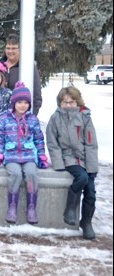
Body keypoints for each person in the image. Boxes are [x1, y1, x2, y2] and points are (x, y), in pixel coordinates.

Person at [0, 81, 47, 225]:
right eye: (19, 102)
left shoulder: (32, 119)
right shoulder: (3, 118)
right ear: (14, 103)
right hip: (11, 155)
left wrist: (41, 156)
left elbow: (39, 139)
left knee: (31, 174)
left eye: (26, 103)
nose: (23, 105)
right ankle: (12, 206)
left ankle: (31, 206)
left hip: (28, 155)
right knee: (15, 174)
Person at [46, 86, 98, 240]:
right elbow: (52, 142)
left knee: (91, 191)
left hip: (85, 158)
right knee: (81, 178)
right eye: (65, 102)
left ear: (77, 102)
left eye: (71, 102)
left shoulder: (85, 117)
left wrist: (92, 167)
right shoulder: (55, 118)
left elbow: (91, 143)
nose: (68, 105)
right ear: (60, 103)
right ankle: (70, 208)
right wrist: (58, 163)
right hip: (68, 158)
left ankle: (86, 221)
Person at [0, 33, 42, 116]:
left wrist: (31, 116)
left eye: (14, 48)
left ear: (20, 49)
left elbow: (36, 95)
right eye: (8, 48)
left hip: (19, 117)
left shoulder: (27, 67)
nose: (10, 51)